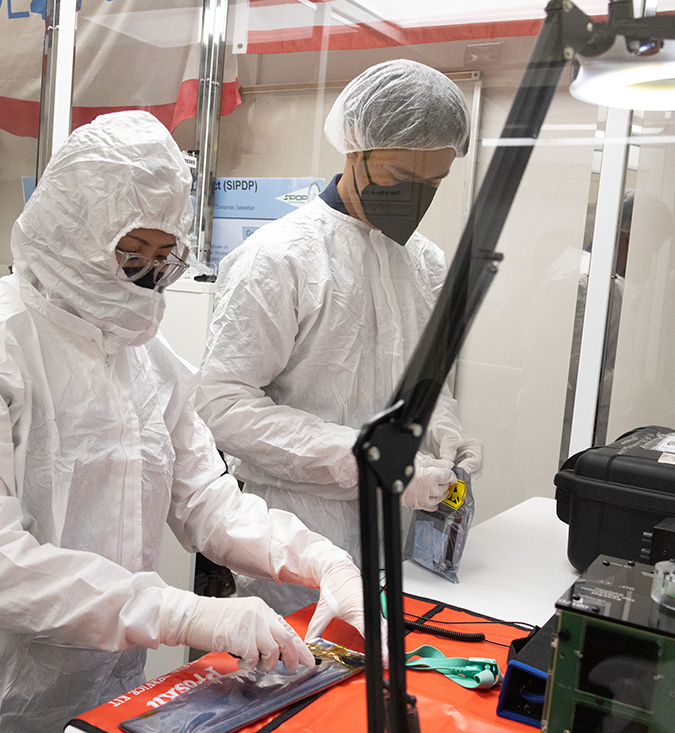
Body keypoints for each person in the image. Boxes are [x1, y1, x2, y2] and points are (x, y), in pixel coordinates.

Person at [0, 111, 368, 733]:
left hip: (111, 691)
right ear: (69, 233)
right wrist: (180, 615)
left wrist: (317, 558)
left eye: (164, 256)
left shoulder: (150, 363)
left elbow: (208, 502)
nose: (146, 277)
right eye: (130, 252)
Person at [196, 59, 484, 616]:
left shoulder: (424, 262)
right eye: (400, 180)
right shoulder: (279, 259)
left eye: (434, 184)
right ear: (355, 147)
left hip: (397, 537)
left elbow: (425, 380)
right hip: (298, 540)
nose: (416, 198)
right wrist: (362, 457)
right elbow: (222, 404)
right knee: (299, 683)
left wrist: (442, 429)